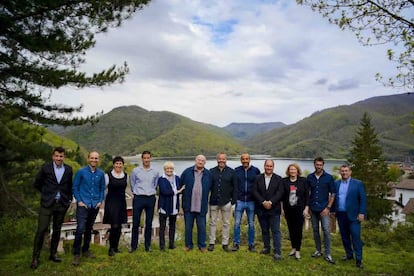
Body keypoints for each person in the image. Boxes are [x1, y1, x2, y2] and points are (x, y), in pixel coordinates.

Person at [30, 147, 73, 269]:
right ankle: (35, 258)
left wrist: (68, 199)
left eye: (61, 156)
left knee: (57, 229)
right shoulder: (46, 168)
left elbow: (69, 186)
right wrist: (46, 194)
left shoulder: (69, 169)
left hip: (62, 204)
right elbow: (37, 183)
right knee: (41, 229)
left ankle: (53, 254)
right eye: (57, 156)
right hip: (47, 203)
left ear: (64, 157)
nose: (59, 158)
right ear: (53, 156)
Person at [72, 151, 106, 266]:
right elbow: (75, 187)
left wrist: (100, 201)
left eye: (96, 158)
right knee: (80, 228)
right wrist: (79, 201)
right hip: (83, 204)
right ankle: (76, 253)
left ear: (98, 160)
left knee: (89, 228)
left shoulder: (101, 174)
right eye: (92, 158)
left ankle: (85, 250)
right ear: (88, 159)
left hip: (94, 205)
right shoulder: (81, 172)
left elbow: (102, 188)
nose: (94, 160)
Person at [334, 164, 366, 269]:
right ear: (340, 172)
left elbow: (363, 199)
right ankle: (349, 255)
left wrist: (362, 213)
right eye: (342, 171)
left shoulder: (358, 183)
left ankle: (359, 259)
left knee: (356, 237)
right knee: (345, 237)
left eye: (346, 171)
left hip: (354, 216)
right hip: (341, 215)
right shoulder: (336, 183)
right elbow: (334, 198)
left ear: (350, 172)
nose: (344, 173)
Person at [252, 159, 284, 261]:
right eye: (267, 166)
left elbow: (280, 193)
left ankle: (277, 251)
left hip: (274, 209)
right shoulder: (258, 178)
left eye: (270, 166)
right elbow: (254, 191)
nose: (268, 168)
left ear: (273, 167)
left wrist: (270, 202)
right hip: (261, 209)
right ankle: (266, 247)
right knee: (264, 230)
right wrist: (263, 202)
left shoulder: (279, 179)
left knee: (275, 231)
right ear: (264, 166)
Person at [307, 157, 336, 264]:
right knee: (315, 230)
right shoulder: (309, 177)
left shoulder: (329, 178)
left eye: (320, 165)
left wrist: (328, 207)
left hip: (324, 209)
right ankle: (318, 250)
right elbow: (307, 193)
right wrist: (307, 207)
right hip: (313, 208)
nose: (318, 166)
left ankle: (327, 253)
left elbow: (333, 194)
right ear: (314, 165)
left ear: (323, 165)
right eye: (317, 164)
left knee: (326, 231)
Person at [181, 155, 212, 252]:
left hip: (201, 206)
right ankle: (188, 245)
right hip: (189, 206)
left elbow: (211, 187)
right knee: (188, 227)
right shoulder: (187, 172)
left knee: (202, 227)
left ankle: (202, 246)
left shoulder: (208, 174)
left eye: (203, 160)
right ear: (195, 161)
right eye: (199, 160)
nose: (200, 162)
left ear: (205, 163)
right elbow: (181, 185)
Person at [130, 150, 159, 253]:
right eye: (145, 158)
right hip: (138, 198)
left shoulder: (155, 172)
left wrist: (151, 192)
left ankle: (147, 246)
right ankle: (133, 247)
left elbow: (155, 185)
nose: (146, 160)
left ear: (150, 158)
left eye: (148, 158)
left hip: (150, 198)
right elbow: (132, 184)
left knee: (149, 223)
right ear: (142, 159)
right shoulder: (135, 171)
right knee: (136, 223)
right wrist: (137, 193)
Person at [208, 152, 237, 252]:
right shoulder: (211, 171)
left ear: (226, 160)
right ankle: (211, 243)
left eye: (223, 159)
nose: (221, 160)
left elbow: (235, 187)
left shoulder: (232, 172)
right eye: (219, 159)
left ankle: (225, 244)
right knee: (212, 223)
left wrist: (232, 201)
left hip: (226, 202)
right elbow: (208, 187)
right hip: (213, 201)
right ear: (217, 160)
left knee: (226, 223)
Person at [232, 153, 261, 252]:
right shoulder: (236, 171)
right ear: (241, 160)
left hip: (251, 201)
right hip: (239, 200)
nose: (245, 160)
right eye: (243, 159)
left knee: (251, 224)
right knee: (236, 223)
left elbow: (259, 185)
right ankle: (236, 243)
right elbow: (233, 185)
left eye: (247, 159)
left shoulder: (256, 171)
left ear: (250, 160)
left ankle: (251, 244)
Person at [282, 163, 309, 260]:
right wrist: (282, 209)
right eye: (291, 170)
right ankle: (293, 248)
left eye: (294, 169)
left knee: (298, 230)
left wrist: (306, 208)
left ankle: (298, 250)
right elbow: (282, 196)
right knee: (291, 229)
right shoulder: (284, 181)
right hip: (288, 209)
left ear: (297, 171)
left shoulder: (303, 181)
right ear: (288, 171)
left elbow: (307, 196)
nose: (293, 171)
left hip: (299, 209)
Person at [103, 156, 128, 256]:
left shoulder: (126, 175)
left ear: (122, 165)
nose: (118, 165)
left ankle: (116, 247)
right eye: (116, 163)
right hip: (111, 202)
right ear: (113, 165)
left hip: (121, 202)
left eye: (120, 163)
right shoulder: (108, 175)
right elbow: (103, 189)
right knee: (114, 225)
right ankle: (111, 248)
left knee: (119, 226)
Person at [157, 161, 185, 251]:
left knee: (172, 226)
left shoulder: (177, 178)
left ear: (173, 169)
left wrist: (181, 190)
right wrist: (178, 191)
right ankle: (162, 246)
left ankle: (171, 244)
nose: (169, 170)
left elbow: (182, 187)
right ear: (164, 170)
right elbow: (164, 192)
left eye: (171, 168)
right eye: (167, 169)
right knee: (162, 227)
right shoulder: (161, 179)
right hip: (164, 206)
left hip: (174, 206)